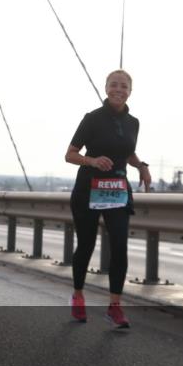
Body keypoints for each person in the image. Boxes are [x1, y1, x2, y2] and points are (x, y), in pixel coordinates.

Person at [64, 69, 151, 329]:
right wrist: (92, 160)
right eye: (114, 85)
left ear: (130, 91)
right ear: (106, 88)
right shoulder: (92, 119)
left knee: (120, 246)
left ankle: (115, 306)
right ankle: (78, 295)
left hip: (117, 189)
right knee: (87, 245)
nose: (118, 90)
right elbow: (70, 154)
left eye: (124, 86)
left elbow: (128, 152)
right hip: (88, 188)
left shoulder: (133, 122)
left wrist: (141, 166)